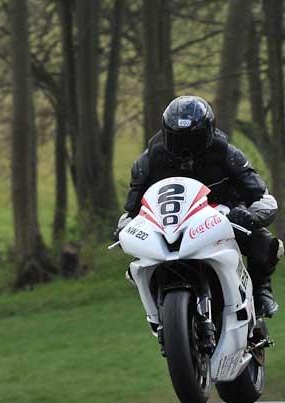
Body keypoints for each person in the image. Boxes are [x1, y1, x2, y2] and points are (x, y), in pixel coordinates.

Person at [117, 95, 282, 317]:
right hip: (169, 222)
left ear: (209, 132)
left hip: (222, 216)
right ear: (166, 135)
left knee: (267, 244)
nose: (186, 148)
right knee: (135, 266)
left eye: (193, 140)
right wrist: (125, 228)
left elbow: (264, 198)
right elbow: (131, 210)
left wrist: (249, 215)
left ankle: (261, 290)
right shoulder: (148, 162)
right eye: (178, 140)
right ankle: (160, 304)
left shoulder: (227, 153)